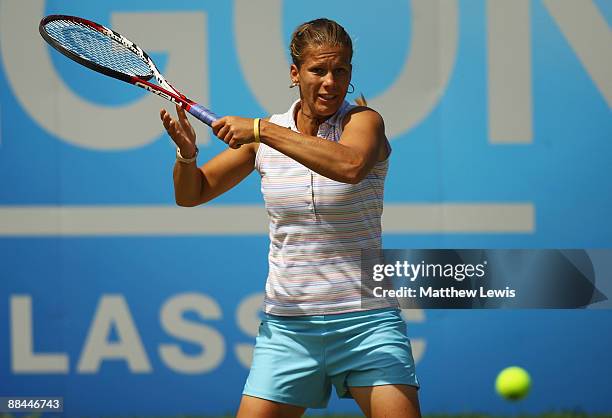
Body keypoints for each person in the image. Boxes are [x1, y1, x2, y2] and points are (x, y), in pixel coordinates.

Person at [160, 18, 421, 418]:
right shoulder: (265, 137)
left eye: (341, 70)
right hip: (288, 328)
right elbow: (191, 194)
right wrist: (187, 157)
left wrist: (261, 130)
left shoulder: (363, 122)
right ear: (295, 73)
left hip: (367, 322)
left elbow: (350, 165)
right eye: (318, 70)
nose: (331, 82)